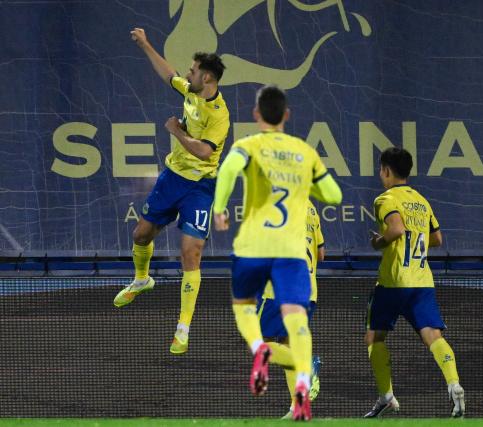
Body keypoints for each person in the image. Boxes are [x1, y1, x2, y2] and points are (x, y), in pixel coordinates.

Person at [212, 85, 342, 421]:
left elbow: (226, 171)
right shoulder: (304, 152)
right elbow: (333, 195)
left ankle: (259, 350)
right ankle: (302, 381)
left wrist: (220, 208)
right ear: (287, 115)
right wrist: (308, 183)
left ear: (256, 115)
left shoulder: (249, 145)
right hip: (290, 252)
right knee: (296, 321)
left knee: (244, 306)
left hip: (253, 246)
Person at [113, 28, 230, 355]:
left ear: (206, 77)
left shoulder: (220, 117)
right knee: (140, 235)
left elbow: (205, 152)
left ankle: (182, 328)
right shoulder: (192, 92)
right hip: (172, 180)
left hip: (201, 188)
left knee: (190, 254)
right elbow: (169, 74)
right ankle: (141, 279)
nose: (187, 74)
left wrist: (176, 130)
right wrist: (146, 44)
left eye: (193, 71)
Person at [365, 147, 465, 418]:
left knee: (375, 337)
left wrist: (378, 241)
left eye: (380, 170)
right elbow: (437, 239)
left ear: (386, 170)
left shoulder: (385, 198)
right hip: (422, 281)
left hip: (393, 281)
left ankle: (386, 396)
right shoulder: (421, 201)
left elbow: (396, 229)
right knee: (433, 336)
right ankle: (454, 384)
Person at [257, 199, 324, 419]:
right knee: (286, 343)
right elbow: (320, 253)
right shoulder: (310, 207)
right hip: (308, 290)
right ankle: (298, 406)